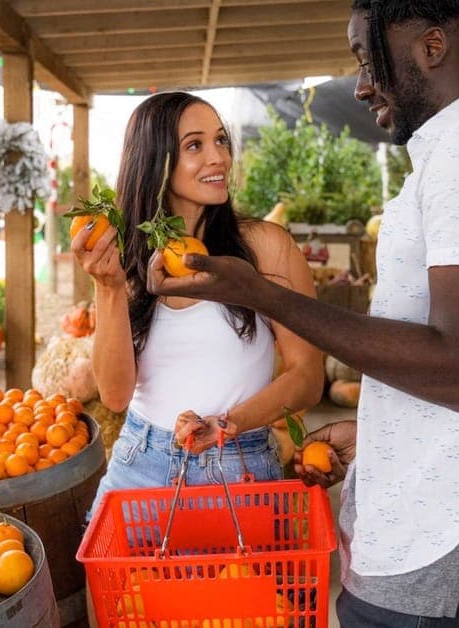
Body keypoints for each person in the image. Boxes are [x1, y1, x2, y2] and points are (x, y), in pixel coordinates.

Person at [146, 2, 459, 628]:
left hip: (442, 551)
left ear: (431, 47)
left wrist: (261, 295)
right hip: (431, 539)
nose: (358, 84)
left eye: (364, 57)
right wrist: (381, 423)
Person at [71, 92, 324, 514]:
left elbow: (308, 377)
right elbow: (115, 397)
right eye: (195, 145)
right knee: (120, 583)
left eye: (221, 141)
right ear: (157, 160)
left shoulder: (265, 248)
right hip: (141, 464)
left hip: (239, 463)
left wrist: (229, 424)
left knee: (238, 581)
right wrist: (109, 288)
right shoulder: (126, 258)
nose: (218, 157)